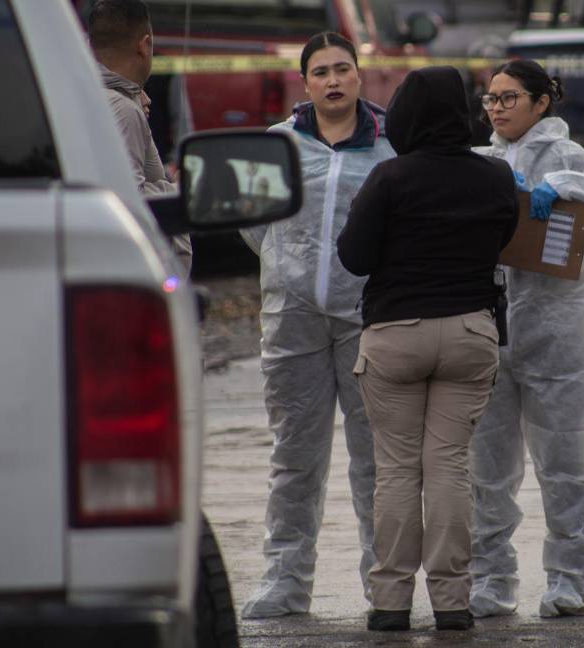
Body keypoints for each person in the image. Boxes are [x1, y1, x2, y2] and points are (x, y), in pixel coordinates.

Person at [337, 66, 518, 633]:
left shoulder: (390, 178)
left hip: (396, 335)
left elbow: (355, 257)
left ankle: (391, 601)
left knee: (395, 471)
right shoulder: (494, 177)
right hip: (469, 333)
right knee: (449, 467)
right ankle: (452, 603)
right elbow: (505, 240)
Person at [469, 60, 584, 619]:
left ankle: (569, 580)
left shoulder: (572, 158)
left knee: (568, 467)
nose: (496, 108)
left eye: (509, 97)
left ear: (542, 102)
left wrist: (566, 186)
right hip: (491, 338)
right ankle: (492, 581)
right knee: (487, 472)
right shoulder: (479, 163)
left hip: (563, 339)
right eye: (490, 99)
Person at [238, 31, 395, 619]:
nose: (333, 81)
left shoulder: (388, 148)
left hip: (366, 318)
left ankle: (384, 580)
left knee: (376, 457)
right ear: (304, 83)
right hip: (292, 320)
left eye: (343, 69)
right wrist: (291, 265)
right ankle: (285, 578)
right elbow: (255, 224)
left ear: (360, 76)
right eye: (321, 72)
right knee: (293, 455)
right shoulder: (279, 144)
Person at [87, 0, 192, 275]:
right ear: (144, 45)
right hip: (140, 276)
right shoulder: (122, 109)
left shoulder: (94, 97)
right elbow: (128, 206)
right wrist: (177, 192)